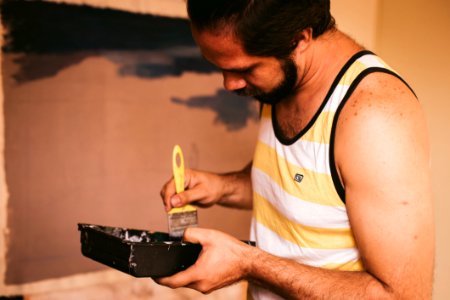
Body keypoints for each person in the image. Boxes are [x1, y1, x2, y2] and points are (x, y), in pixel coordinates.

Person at [158, 0, 435, 299]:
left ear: (299, 40)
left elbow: (402, 295)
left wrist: (248, 264)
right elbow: (306, 188)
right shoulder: (282, 80)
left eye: (244, 69)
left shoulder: (374, 116)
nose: (229, 84)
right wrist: (221, 187)